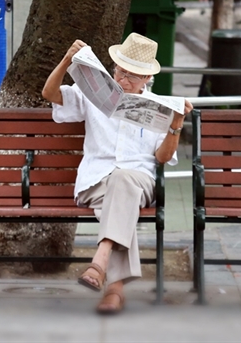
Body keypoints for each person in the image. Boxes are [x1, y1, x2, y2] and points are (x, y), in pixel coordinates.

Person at [42, 33, 193, 315]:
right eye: (120, 71)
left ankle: (100, 261)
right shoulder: (96, 94)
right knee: (120, 200)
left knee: (123, 181)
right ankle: (115, 290)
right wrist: (66, 60)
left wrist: (177, 124)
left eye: (132, 76)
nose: (123, 80)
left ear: (147, 77)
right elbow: (50, 94)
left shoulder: (160, 106)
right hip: (96, 180)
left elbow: (162, 158)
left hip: (140, 180)